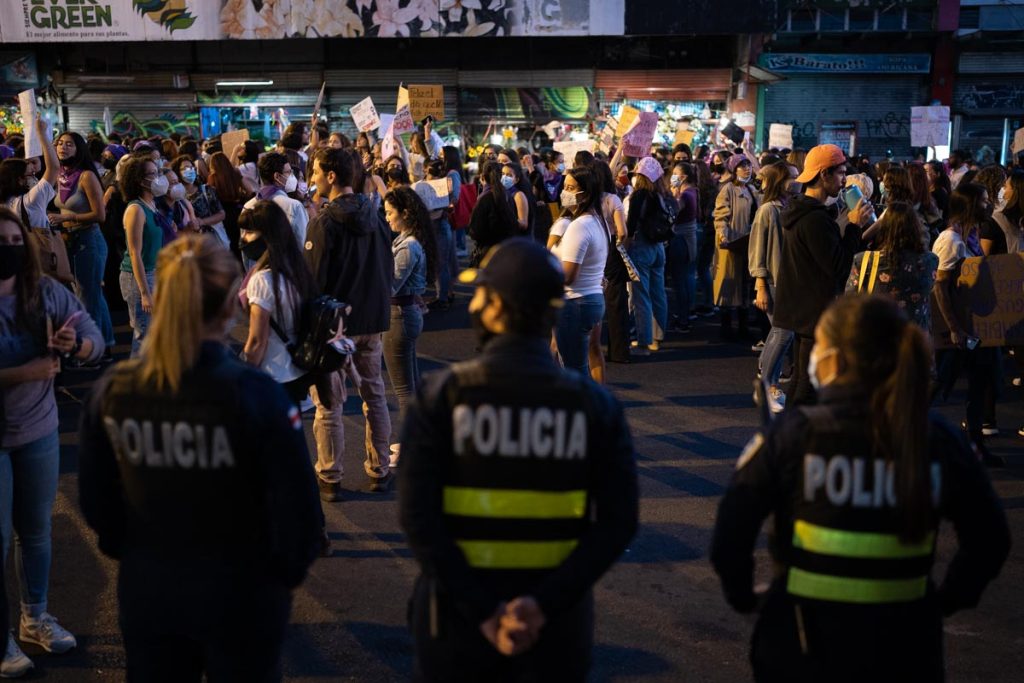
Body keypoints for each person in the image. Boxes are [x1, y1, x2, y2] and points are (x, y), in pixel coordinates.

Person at [710, 293, 1010, 683]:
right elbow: (990, 539)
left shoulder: (793, 436)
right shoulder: (938, 440)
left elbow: (730, 534)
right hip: (906, 649)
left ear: (834, 357)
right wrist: (943, 602)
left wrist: (747, 598)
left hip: (803, 646)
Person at [78, 234, 321, 682]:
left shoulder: (116, 390)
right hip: (241, 592)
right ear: (232, 303)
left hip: (152, 589)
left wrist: (133, 550)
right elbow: (299, 511)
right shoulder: (255, 394)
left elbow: (97, 500)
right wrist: (278, 578)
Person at [400, 237, 638, 681]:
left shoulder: (442, 398)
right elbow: (618, 522)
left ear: (493, 307)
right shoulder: (594, 407)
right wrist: (541, 605)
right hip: (555, 629)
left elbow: (418, 518)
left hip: (456, 625)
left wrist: (485, 611)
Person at [0, 206, 105, 677]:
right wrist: (25, 372)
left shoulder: (42, 292)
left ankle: (34, 616)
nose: (8, 249)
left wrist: (77, 347)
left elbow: (93, 337)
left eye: (14, 241)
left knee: (36, 531)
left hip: (37, 430)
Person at [305, 147, 395, 497]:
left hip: (333, 328)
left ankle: (330, 476)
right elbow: (386, 270)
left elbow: (313, 281)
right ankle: (379, 469)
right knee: (374, 394)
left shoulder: (324, 222)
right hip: (371, 321)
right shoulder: (377, 218)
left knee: (329, 403)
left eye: (315, 171)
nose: (312, 177)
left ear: (331, 176)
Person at [773, 144, 874, 407]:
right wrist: (854, 226)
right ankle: (794, 441)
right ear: (823, 174)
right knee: (807, 388)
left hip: (801, 307)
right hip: (812, 310)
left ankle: (789, 437)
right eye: (840, 173)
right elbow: (839, 266)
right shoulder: (814, 219)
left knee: (801, 382)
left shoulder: (802, 211)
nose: (844, 180)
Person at [931, 183, 1003, 467]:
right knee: (937, 385)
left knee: (981, 383)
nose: (988, 205)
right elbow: (940, 287)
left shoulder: (969, 234)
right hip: (957, 329)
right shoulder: (951, 240)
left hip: (974, 327)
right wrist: (953, 328)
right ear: (971, 204)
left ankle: (975, 445)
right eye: (984, 201)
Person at [238, 200, 318, 404]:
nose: (243, 239)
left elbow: (257, 341)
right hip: (297, 370)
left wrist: (243, 375)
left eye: (248, 232)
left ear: (267, 236)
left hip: (272, 374)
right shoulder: (297, 268)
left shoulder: (262, 280)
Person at [381, 187, 437, 467]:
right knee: (410, 386)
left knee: (403, 389)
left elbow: (390, 285)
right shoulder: (408, 241)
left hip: (399, 316)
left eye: (390, 213)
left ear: (405, 213)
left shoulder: (409, 246)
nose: (387, 218)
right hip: (406, 313)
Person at [50, 131, 115, 353]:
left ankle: (91, 350)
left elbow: (100, 215)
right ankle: (105, 345)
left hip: (89, 239)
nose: (63, 147)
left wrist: (68, 217)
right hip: (70, 241)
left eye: (69, 144)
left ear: (79, 149)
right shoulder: (59, 174)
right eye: (60, 143)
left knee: (87, 297)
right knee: (92, 294)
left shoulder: (86, 176)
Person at [551, 166, 609, 376]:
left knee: (574, 370)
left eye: (570, 187)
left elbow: (568, 275)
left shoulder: (579, 226)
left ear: (585, 194)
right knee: (577, 364)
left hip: (575, 302)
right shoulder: (597, 221)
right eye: (564, 186)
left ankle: (584, 407)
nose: (564, 192)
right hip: (590, 299)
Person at [846, 201, 938, 331]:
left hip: (877, 338)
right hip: (915, 338)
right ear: (916, 228)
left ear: (883, 228)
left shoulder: (864, 260)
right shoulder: (931, 261)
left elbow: (849, 300)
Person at [749, 162, 795, 413]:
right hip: (774, 281)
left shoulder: (787, 206)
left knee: (778, 333)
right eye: (792, 177)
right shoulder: (767, 210)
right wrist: (760, 284)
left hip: (787, 281)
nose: (797, 181)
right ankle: (769, 385)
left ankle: (767, 383)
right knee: (783, 332)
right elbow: (757, 249)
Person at [119, 156, 165, 357]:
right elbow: (134, 252)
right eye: (153, 174)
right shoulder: (136, 209)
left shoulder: (152, 204)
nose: (158, 178)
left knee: (154, 333)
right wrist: (145, 293)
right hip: (138, 277)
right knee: (143, 335)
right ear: (140, 180)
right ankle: (136, 381)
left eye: (158, 172)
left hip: (152, 273)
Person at [626, 157, 671, 356]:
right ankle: (657, 338)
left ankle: (643, 342)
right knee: (658, 292)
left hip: (642, 247)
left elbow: (630, 225)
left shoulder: (639, 196)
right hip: (659, 247)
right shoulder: (662, 194)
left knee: (641, 295)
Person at [713, 154, 759, 341]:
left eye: (748, 165)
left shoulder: (752, 189)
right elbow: (720, 215)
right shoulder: (728, 189)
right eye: (742, 166)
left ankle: (743, 326)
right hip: (731, 243)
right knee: (729, 284)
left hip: (749, 242)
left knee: (745, 285)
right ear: (734, 169)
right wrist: (723, 234)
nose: (747, 169)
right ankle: (726, 328)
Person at [243, 151, 308, 251]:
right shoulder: (294, 206)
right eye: (289, 172)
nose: (292, 176)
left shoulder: (247, 206)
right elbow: (303, 245)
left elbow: (246, 249)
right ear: (277, 176)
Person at [468, 161, 518, 267]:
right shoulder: (508, 196)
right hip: (507, 249)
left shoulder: (485, 198)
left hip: (488, 252)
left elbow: (475, 231)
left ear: (483, 177)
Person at [668, 161, 699, 333]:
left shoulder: (685, 195)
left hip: (681, 239)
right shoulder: (693, 191)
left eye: (675, 173)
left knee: (680, 282)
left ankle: (683, 319)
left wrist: (674, 196)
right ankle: (684, 315)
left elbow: (674, 212)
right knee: (685, 279)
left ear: (683, 177)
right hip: (689, 239)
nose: (672, 177)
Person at [174, 155, 228, 246]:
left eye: (191, 167)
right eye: (185, 168)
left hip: (213, 241)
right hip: (192, 244)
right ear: (178, 173)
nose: (189, 170)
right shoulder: (177, 197)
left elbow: (221, 214)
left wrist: (202, 222)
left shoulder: (206, 190)